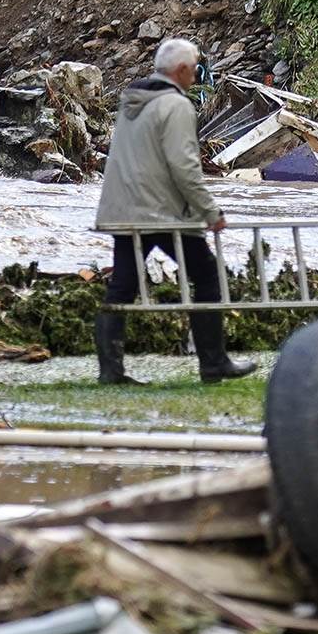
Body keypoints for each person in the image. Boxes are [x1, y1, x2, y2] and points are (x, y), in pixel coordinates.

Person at [93, 38, 258, 385]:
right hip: (162, 213)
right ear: (182, 70)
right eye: (195, 67)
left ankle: (110, 371)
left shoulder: (133, 101)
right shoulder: (177, 105)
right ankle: (213, 362)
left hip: (124, 210)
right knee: (208, 275)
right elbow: (185, 167)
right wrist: (210, 212)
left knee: (122, 287)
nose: (197, 74)